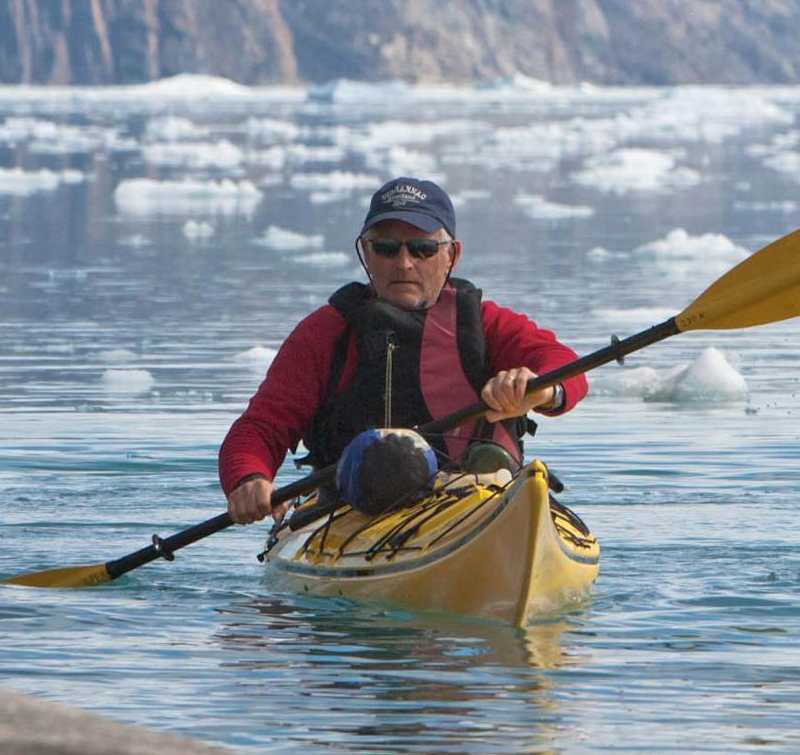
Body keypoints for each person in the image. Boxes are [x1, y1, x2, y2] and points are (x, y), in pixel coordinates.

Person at [219, 177, 586, 523]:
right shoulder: (325, 334)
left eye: (423, 249)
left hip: (479, 501)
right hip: (353, 514)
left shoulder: (485, 323)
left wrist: (541, 389)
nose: (404, 263)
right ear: (366, 251)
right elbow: (259, 428)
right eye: (387, 248)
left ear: (451, 255)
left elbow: (567, 368)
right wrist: (248, 478)